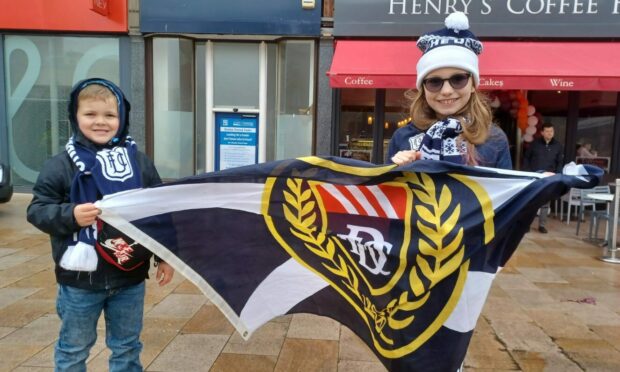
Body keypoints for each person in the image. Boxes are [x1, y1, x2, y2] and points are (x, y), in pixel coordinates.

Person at [27, 78, 174, 371]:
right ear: (74, 116)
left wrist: (165, 256)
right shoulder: (61, 165)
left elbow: (159, 210)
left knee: (127, 347)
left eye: (110, 115)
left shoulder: (140, 162)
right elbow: (38, 209)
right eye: (90, 114)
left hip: (130, 277)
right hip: (80, 281)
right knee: (73, 349)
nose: (101, 122)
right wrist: (70, 215)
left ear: (122, 118)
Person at [387, 12, 512, 170]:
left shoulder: (494, 138)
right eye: (434, 82)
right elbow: (390, 193)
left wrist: (542, 183)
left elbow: (508, 192)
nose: (446, 91)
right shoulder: (402, 137)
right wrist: (396, 170)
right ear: (423, 88)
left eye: (458, 79)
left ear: (473, 84)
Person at [523, 122, 564, 233]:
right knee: (531, 201)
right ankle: (526, 225)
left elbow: (560, 162)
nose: (549, 133)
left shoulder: (558, 146)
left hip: (549, 177)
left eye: (551, 131)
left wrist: (557, 175)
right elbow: (526, 158)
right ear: (542, 132)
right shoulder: (534, 144)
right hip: (535, 176)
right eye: (547, 131)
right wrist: (528, 172)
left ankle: (542, 225)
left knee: (545, 203)